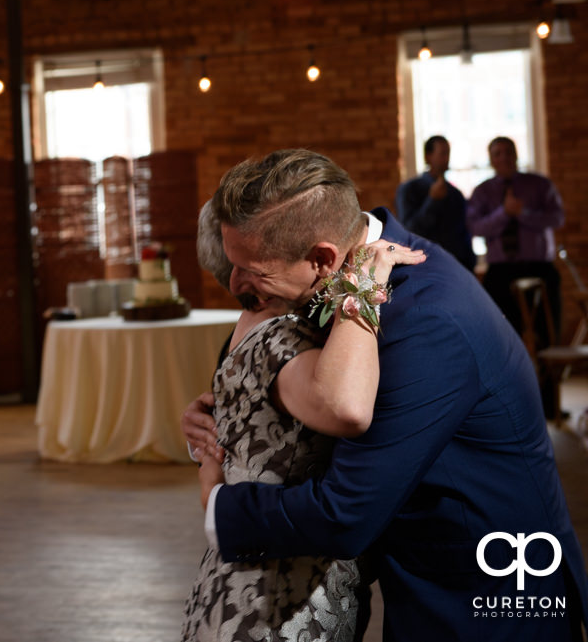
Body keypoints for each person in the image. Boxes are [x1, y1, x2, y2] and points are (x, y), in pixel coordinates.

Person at [182, 149, 587, 642]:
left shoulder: (423, 319)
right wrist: (222, 412)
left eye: (251, 270)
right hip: (425, 581)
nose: (234, 284)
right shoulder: (343, 271)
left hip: (485, 599)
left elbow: (345, 512)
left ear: (323, 258)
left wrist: (220, 506)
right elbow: (279, 352)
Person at [182, 200, 423, 642]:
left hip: (246, 576)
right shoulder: (283, 337)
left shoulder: (255, 325)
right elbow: (344, 408)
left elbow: (242, 422)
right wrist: (365, 287)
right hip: (279, 597)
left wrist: (204, 443)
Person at [466, 136, 565, 350]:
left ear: (516, 155)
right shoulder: (483, 192)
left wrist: (522, 213)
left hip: (539, 268)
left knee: (546, 332)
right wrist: (504, 213)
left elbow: (557, 219)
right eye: (497, 154)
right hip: (501, 272)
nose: (504, 158)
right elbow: (476, 228)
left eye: (508, 152)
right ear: (491, 160)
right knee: (502, 335)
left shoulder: (540, 184)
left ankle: (548, 383)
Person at [395, 135, 476, 270]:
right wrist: (433, 201)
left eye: (448, 153)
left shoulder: (455, 194)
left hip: (456, 265)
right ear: (428, 156)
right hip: (424, 266)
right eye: (442, 153)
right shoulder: (409, 189)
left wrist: (470, 263)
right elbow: (409, 230)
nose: (446, 159)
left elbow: (464, 232)